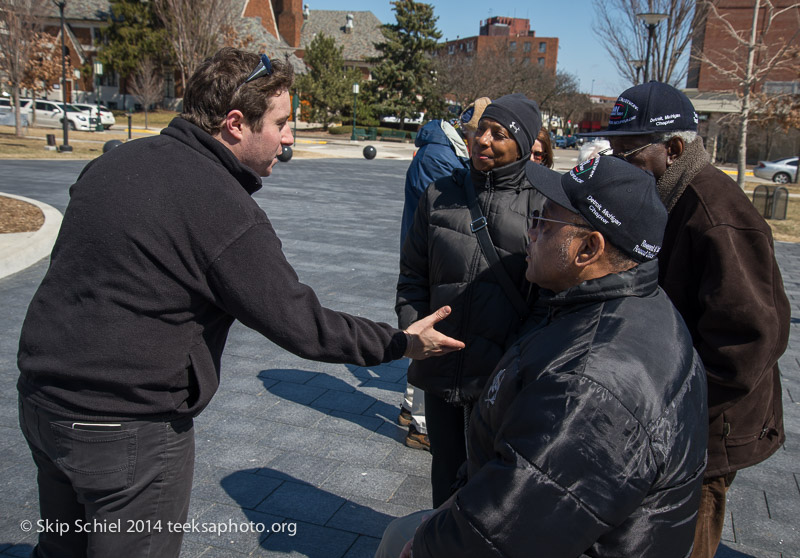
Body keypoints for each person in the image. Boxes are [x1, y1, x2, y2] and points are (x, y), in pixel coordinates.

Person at [16, 47, 464, 558]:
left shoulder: (113, 162)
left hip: (42, 404)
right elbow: (302, 324)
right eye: (282, 122)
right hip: (127, 434)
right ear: (234, 123)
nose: (290, 138)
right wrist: (402, 343)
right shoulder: (221, 208)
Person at [376, 155, 709, 558]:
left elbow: (506, 529)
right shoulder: (628, 305)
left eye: (543, 221)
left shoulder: (591, 386)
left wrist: (426, 546)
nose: (529, 232)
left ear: (589, 248)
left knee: (399, 540)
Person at [588, 81, 790, 558]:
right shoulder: (666, 195)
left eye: (629, 156)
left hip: (705, 427)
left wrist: (677, 412)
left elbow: (749, 340)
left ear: (674, 149)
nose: (620, 169)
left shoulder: (716, 216)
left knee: (683, 541)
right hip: (672, 414)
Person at [396, 93, 559, 507]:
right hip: (440, 368)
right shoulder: (439, 194)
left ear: (522, 145)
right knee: (444, 479)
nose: (482, 139)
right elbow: (413, 275)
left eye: (498, 134)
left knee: (493, 491)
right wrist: (415, 330)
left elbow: (550, 298)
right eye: (479, 130)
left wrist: (517, 358)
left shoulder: (544, 206)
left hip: (502, 381)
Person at [398, 118, 471, 451]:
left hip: (431, 260)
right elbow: (449, 211)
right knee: (429, 341)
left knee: (429, 340)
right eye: (476, 130)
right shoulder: (439, 155)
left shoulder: (439, 150)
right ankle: (421, 424)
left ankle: (411, 411)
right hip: (432, 263)